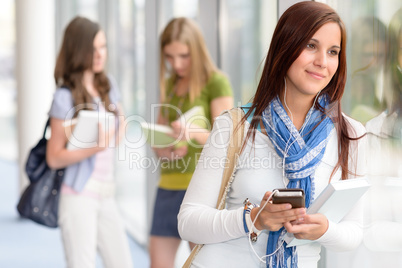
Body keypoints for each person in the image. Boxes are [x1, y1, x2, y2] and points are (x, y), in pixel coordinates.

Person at [178, 2, 367, 268]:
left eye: (333, 51)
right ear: (285, 47)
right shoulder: (236, 126)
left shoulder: (350, 134)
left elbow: (355, 232)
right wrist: (254, 218)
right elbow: (188, 222)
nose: (322, 62)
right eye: (311, 46)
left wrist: (324, 230)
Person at [46, 16, 133, 268]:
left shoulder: (108, 85)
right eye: (93, 48)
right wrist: (96, 146)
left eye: (103, 47)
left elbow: (119, 132)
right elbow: (54, 157)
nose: (99, 55)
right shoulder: (64, 97)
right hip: (78, 195)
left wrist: (118, 129)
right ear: (78, 50)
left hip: (107, 193)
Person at [149, 17, 233, 268]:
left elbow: (229, 141)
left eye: (183, 56)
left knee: (201, 264)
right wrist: (165, 149)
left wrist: (194, 134)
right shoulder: (170, 85)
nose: (176, 64)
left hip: (200, 191)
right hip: (168, 185)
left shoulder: (215, 82)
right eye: (170, 57)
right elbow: (159, 136)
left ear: (196, 51)